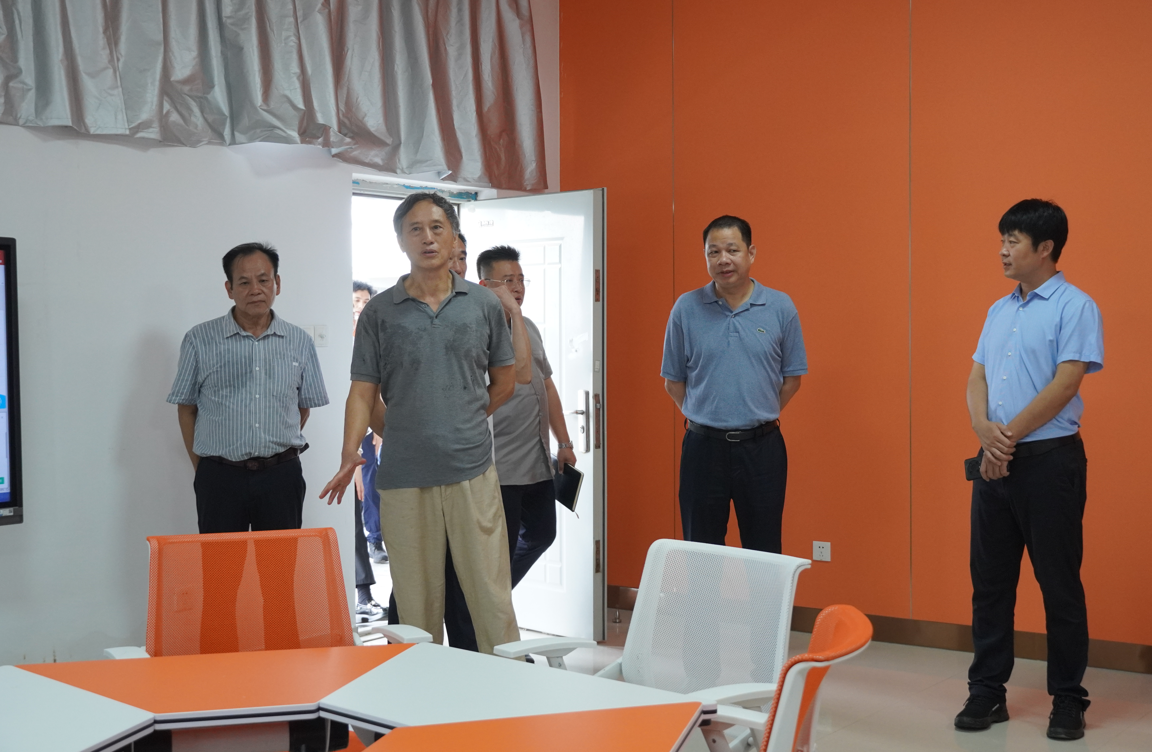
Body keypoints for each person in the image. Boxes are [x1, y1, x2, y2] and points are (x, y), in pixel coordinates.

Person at [320, 192, 522, 655]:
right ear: (400, 240)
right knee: (415, 606)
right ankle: (417, 691)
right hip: (404, 477)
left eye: (436, 227)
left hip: (472, 472)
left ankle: (507, 689)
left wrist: (461, 421)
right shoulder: (379, 312)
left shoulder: (483, 304)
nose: (427, 238)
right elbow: (363, 391)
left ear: (452, 237)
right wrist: (352, 450)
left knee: (491, 598)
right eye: (415, 229)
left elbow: (506, 381)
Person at [954, 199, 1103, 741]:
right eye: (1002, 239)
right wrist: (983, 430)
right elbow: (977, 376)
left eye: (1012, 241)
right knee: (990, 583)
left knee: (1058, 584)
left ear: (1045, 248)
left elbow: (1066, 382)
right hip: (995, 463)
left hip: (1049, 464)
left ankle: (1068, 699)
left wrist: (1006, 437)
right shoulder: (999, 310)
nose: (1002, 250)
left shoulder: (1075, 306)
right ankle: (987, 691)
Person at [168, 241, 329, 652]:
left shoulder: (298, 341)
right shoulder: (200, 339)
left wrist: (271, 444)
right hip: (220, 478)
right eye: (244, 282)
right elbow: (186, 408)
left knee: (281, 585)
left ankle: (283, 675)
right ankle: (218, 677)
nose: (255, 289)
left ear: (277, 283)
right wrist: (203, 467)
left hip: (281, 476)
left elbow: (303, 407)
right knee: (220, 586)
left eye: (263, 280)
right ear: (229, 288)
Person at [439, 245, 578, 651]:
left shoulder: (527, 326)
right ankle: (483, 625)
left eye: (520, 280)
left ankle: (482, 603)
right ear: (485, 285)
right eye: (508, 281)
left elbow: (546, 385)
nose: (517, 287)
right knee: (494, 554)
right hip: (498, 467)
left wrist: (564, 442)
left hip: (536, 461)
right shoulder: (475, 329)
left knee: (542, 534)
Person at [660, 215, 807, 555]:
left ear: (751, 253)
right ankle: (706, 597)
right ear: (705, 256)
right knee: (701, 551)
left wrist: (755, 412)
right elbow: (673, 382)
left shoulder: (780, 307)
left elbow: (792, 380)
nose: (723, 259)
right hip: (702, 450)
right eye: (713, 252)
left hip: (762, 449)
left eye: (732, 250)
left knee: (763, 549)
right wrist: (706, 415)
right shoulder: (686, 308)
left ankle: (762, 598)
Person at [351, 280, 385, 624]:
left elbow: (378, 389)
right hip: (349, 437)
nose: (360, 307)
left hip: (372, 430)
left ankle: (375, 539)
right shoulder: (342, 343)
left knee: (371, 490)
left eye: (365, 301)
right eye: (355, 302)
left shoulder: (376, 336)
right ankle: (363, 596)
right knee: (353, 505)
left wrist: (377, 428)